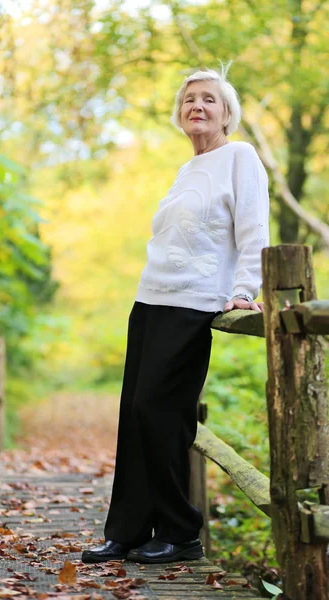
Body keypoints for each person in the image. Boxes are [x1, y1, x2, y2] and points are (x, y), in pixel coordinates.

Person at [82, 64, 269, 565]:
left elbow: (253, 229)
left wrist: (246, 288)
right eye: (189, 99)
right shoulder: (188, 169)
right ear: (179, 114)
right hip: (150, 300)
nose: (198, 106)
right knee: (134, 418)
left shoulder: (240, 157)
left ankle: (180, 531)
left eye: (209, 99)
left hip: (194, 303)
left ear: (227, 112)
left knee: (160, 414)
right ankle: (126, 531)